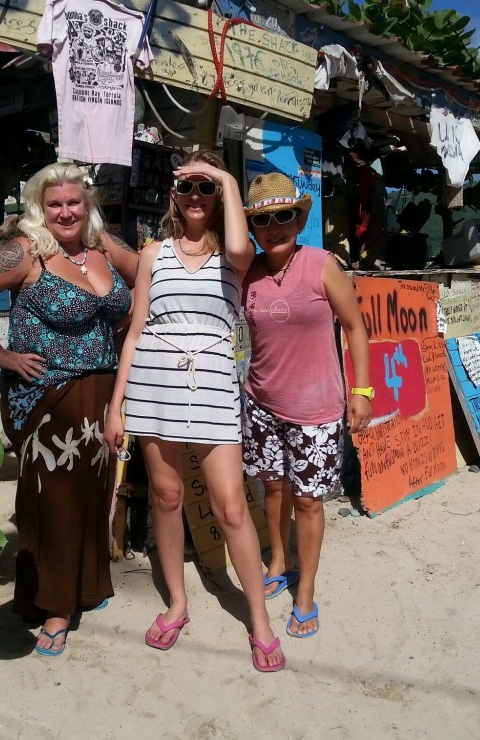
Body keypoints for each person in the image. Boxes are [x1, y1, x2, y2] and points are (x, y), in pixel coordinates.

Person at [0, 162, 137, 657]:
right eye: (55, 204)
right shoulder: (26, 252)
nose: (66, 212)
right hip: (46, 397)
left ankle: (88, 587)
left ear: (86, 204)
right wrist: (2, 355)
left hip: (102, 391)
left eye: (74, 202)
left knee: (93, 494)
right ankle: (52, 605)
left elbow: (148, 273)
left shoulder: (102, 247)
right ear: (39, 208)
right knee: (53, 503)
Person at [104, 151, 286, 673]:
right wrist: (117, 408)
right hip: (154, 383)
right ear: (173, 196)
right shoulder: (151, 253)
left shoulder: (236, 255)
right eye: (187, 188)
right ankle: (178, 604)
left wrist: (225, 177)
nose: (196, 198)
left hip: (210, 384)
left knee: (231, 506)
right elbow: (136, 331)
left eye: (206, 189)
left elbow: (235, 241)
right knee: (166, 496)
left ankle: (259, 619)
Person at [240, 172, 372, 638]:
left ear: (298, 219)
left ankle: (307, 592)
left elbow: (356, 327)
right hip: (260, 402)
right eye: (263, 220)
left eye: (284, 216)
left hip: (316, 410)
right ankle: (280, 558)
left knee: (309, 502)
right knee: (271, 489)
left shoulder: (322, 264)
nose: (275, 227)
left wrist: (362, 391)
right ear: (251, 226)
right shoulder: (248, 271)